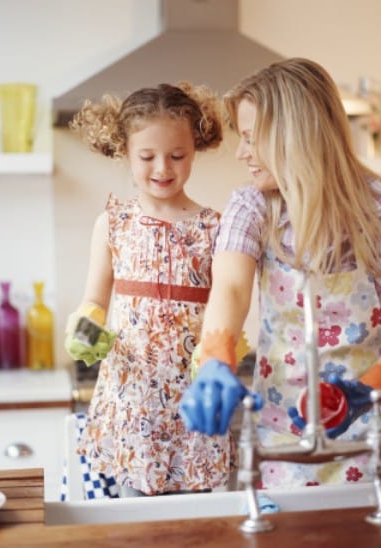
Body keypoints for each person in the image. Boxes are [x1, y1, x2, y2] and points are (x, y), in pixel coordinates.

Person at [180, 58, 381, 488]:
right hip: (281, 434)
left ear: (293, 137)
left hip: (368, 428)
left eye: (250, 139)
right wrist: (215, 360)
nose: (242, 154)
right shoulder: (252, 207)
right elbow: (231, 290)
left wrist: (363, 392)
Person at [65, 82, 235, 496]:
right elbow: (94, 300)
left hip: (193, 394)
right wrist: (84, 326)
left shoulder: (215, 227)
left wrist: (228, 343)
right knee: (133, 517)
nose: (163, 168)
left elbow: (230, 299)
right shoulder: (113, 224)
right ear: (124, 151)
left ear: (195, 148)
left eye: (177, 156)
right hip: (131, 396)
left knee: (195, 525)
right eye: (147, 156)